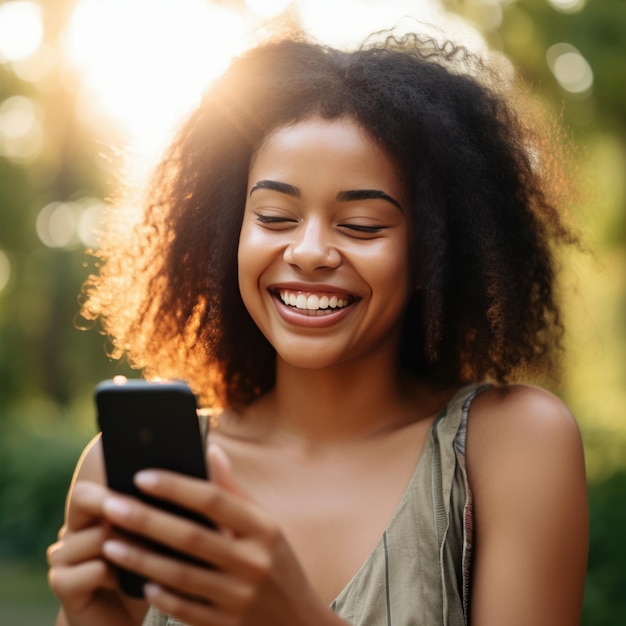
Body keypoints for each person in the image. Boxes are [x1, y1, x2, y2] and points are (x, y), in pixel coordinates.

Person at [47, 30, 588, 626]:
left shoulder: (512, 447)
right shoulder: (130, 474)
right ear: (230, 231)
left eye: (360, 224)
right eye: (275, 216)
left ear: (432, 255)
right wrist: (93, 618)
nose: (308, 251)